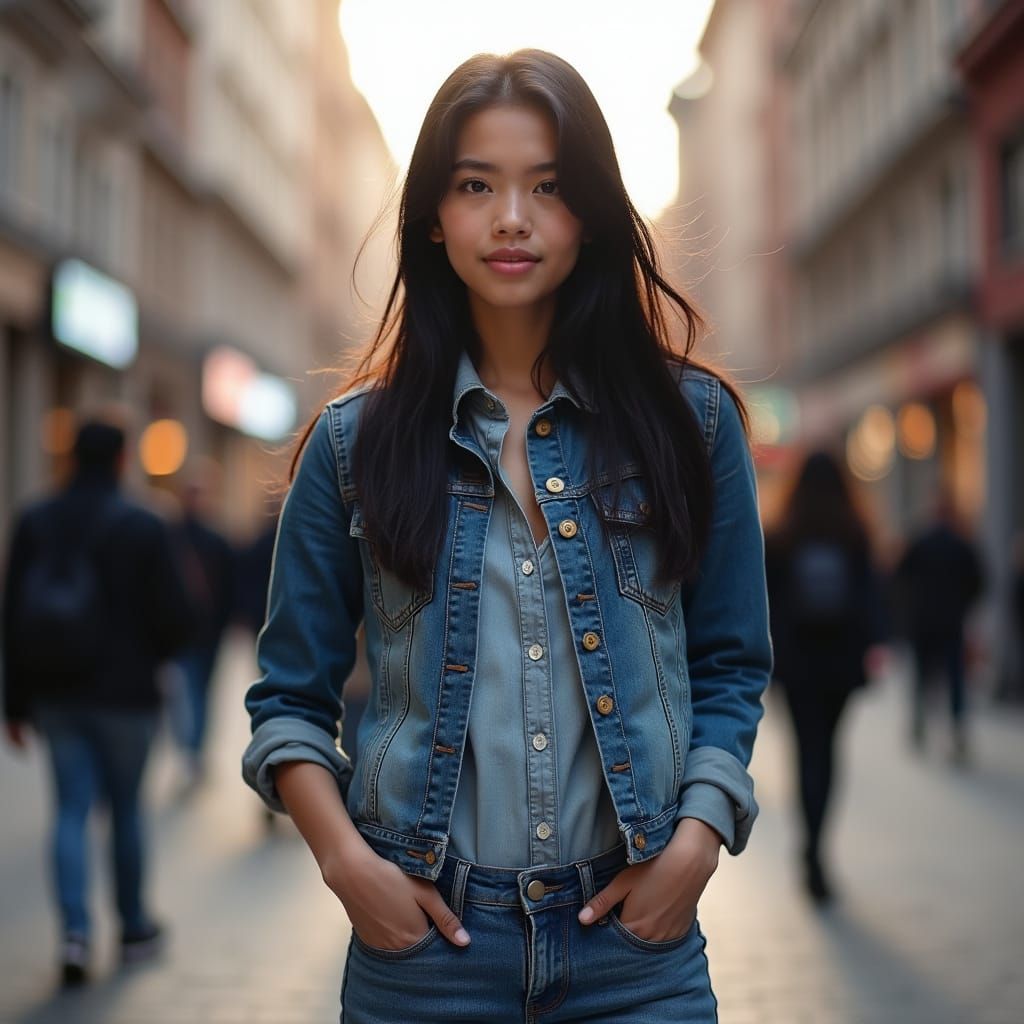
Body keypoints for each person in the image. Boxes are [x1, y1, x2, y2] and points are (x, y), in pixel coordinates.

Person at [242, 50, 772, 1022]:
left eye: (549, 187)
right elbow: (287, 698)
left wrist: (697, 835)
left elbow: (732, 661)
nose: (512, 217)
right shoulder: (352, 444)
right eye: (475, 185)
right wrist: (345, 864)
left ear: (595, 215)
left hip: (634, 948)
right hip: (425, 947)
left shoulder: (691, 423)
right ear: (432, 219)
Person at [2, 421, 193, 986]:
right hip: (128, 697)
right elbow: (178, 620)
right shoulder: (144, 524)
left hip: (58, 694)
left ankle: (74, 934)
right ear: (121, 460)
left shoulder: (36, 520)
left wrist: (14, 705)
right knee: (127, 810)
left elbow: (12, 618)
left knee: (69, 810)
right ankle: (133, 929)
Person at [765, 450, 888, 904]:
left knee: (805, 753)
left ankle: (809, 849)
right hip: (839, 663)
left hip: (796, 665)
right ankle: (820, 846)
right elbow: (874, 596)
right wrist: (876, 646)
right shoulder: (853, 531)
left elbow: (763, 605)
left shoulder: (782, 534)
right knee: (830, 753)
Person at [895, 488, 984, 761]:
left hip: (923, 621)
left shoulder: (920, 541)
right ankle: (956, 729)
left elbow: (899, 576)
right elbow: (979, 582)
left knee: (922, 674)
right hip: (950, 622)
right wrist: (962, 606)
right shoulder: (961, 544)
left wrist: (911, 605)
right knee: (955, 678)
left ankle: (919, 721)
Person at [169, 473, 235, 790]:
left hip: (209, 633)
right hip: (182, 633)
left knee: (202, 694)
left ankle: (195, 749)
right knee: (188, 693)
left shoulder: (215, 539)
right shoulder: (172, 536)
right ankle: (191, 750)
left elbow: (229, 586)